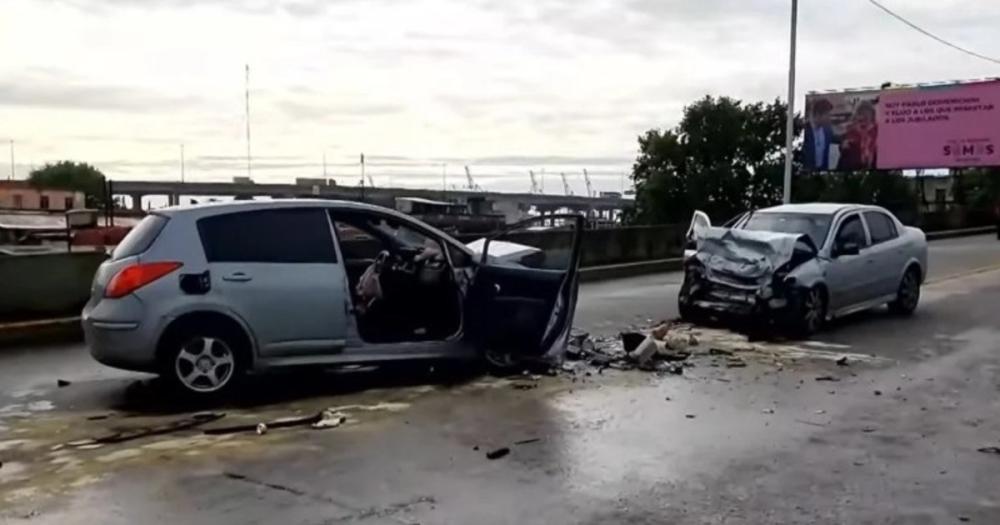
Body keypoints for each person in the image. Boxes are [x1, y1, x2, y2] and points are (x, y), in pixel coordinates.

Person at [839, 101, 878, 170]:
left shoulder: (879, 132)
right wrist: (843, 146)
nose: (862, 117)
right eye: (860, 114)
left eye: (865, 115)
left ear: (872, 116)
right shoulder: (850, 131)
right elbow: (843, 150)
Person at [803, 98, 838, 171]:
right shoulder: (805, 131)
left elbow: (837, 140)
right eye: (828, 115)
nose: (830, 118)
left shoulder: (828, 130)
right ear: (818, 114)